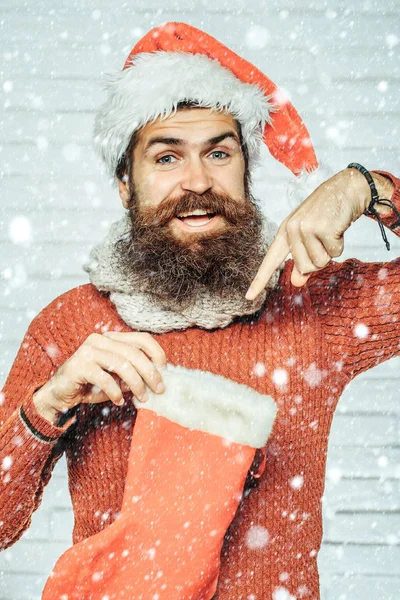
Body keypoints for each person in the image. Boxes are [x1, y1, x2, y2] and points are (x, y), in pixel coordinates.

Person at [1, 21, 399, 600]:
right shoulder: (70, 327)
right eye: (166, 158)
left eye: (218, 152)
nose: (197, 181)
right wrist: (47, 404)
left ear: (245, 169)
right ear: (124, 185)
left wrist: (368, 190)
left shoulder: (314, 305)